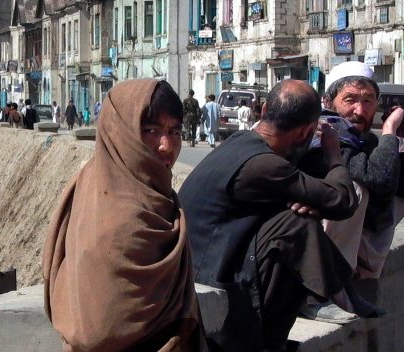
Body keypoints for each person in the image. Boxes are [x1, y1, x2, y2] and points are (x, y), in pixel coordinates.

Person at [179, 80, 361, 351]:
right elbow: (342, 199)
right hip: (208, 277)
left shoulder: (240, 142)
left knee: (290, 218)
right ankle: (315, 303)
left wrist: (305, 199)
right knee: (296, 226)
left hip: (203, 263)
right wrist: (334, 155)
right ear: (305, 133)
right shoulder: (263, 165)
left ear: (263, 110)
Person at [43, 79, 207, 351]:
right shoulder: (118, 215)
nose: (167, 145)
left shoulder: (149, 195)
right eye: (151, 130)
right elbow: (98, 330)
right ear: (121, 131)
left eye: (174, 131)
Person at [298, 62, 404, 317]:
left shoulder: (363, 141)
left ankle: (352, 280)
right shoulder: (324, 136)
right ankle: (316, 294)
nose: (359, 110)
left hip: (343, 248)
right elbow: (378, 177)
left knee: (399, 195)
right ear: (329, 102)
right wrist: (389, 133)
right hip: (302, 238)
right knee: (354, 188)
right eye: (350, 100)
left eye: (368, 100)